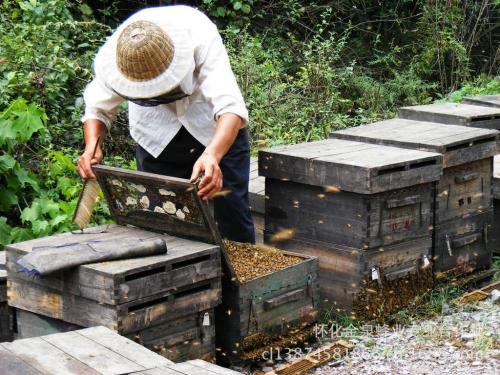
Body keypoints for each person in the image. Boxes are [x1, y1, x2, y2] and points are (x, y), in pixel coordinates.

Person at [77, 5, 255, 243]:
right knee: (164, 224)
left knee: (232, 218)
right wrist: (91, 147)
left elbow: (230, 108)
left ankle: (235, 280)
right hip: (156, 138)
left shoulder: (199, 34)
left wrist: (212, 155)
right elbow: (97, 109)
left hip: (214, 134)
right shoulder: (116, 55)